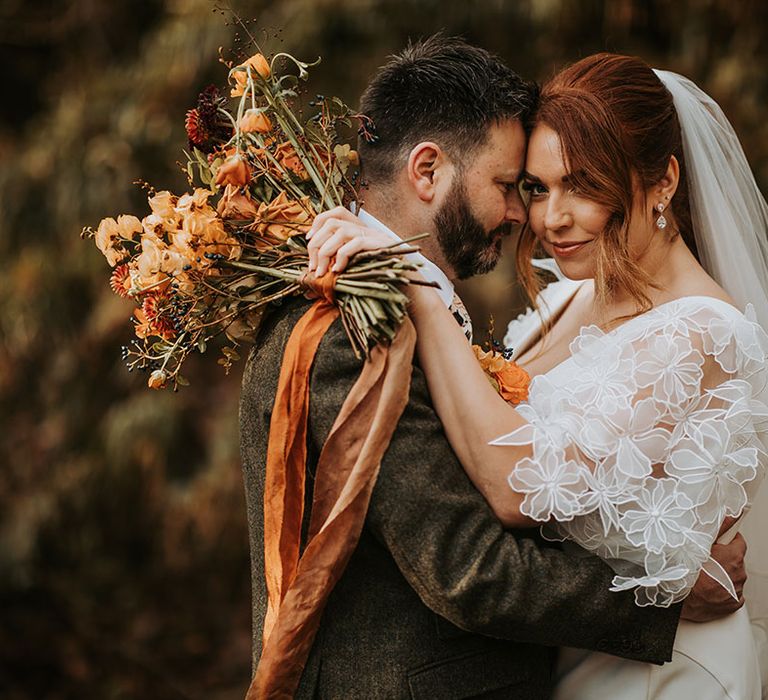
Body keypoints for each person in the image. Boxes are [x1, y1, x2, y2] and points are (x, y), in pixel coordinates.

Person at [241, 38, 746, 698]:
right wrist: (663, 602)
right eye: (518, 188)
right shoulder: (351, 323)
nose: (528, 216)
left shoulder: (690, 328)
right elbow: (468, 568)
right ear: (427, 173)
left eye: (574, 186)